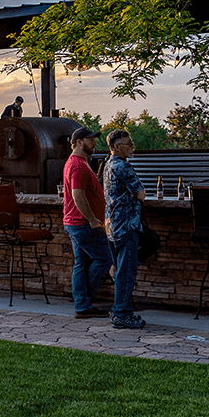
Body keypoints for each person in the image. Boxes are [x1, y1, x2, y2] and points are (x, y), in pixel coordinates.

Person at [63, 127, 113, 319]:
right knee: (104, 258)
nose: (94, 143)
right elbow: (77, 195)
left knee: (81, 264)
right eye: (90, 139)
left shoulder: (75, 163)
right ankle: (83, 302)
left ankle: (82, 306)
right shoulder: (78, 166)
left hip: (75, 223)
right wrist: (92, 219)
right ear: (78, 142)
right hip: (83, 224)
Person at [102, 130, 147, 330]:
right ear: (117, 146)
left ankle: (121, 309)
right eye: (129, 143)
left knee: (120, 270)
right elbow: (141, 194)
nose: (132, 146)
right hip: (127, 225)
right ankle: (121, 313)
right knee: (126, 272)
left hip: (112, 225)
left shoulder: (107, 164)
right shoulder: (124, 166)